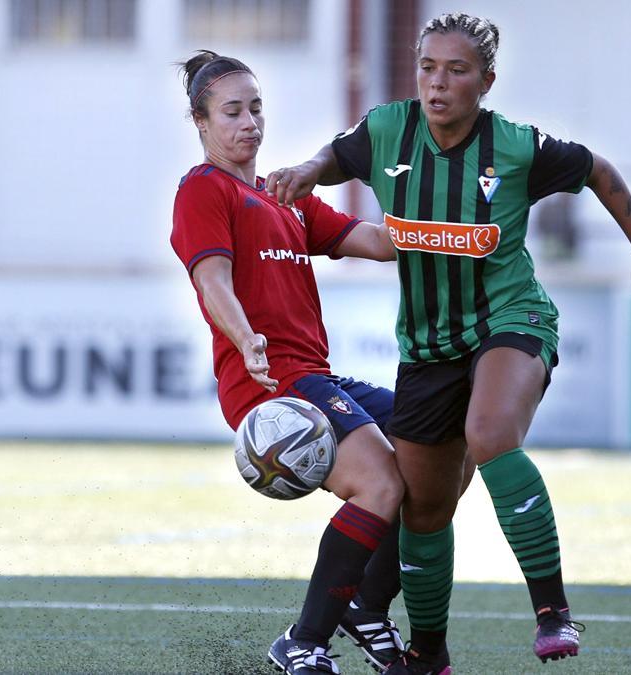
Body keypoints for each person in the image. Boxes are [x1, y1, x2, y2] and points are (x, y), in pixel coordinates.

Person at [267, 12, 631, 673]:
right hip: (428, 349)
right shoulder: (386, 130)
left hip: (511, 320)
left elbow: (599, 170)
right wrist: (303, 172)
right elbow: (330, 157)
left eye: (456, 71)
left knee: (489, 434)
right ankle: (429, 651)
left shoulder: (515, 146)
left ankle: (553, 611)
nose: (438, 83)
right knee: (425, 508)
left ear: (485, 81)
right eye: (428, 67)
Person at [170, 50, 412, 675]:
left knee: (442, 446)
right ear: (200, 121)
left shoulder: (286, 196)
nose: (249, 121)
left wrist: (430, 199)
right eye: (232, 111)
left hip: (316, 377)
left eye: (256, 107)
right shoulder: (204, 189)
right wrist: (245, 335)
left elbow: (381, 243)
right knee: (381, 482)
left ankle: (363, 606)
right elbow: (212, 279)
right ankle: (303, 641)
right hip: (270, 382)